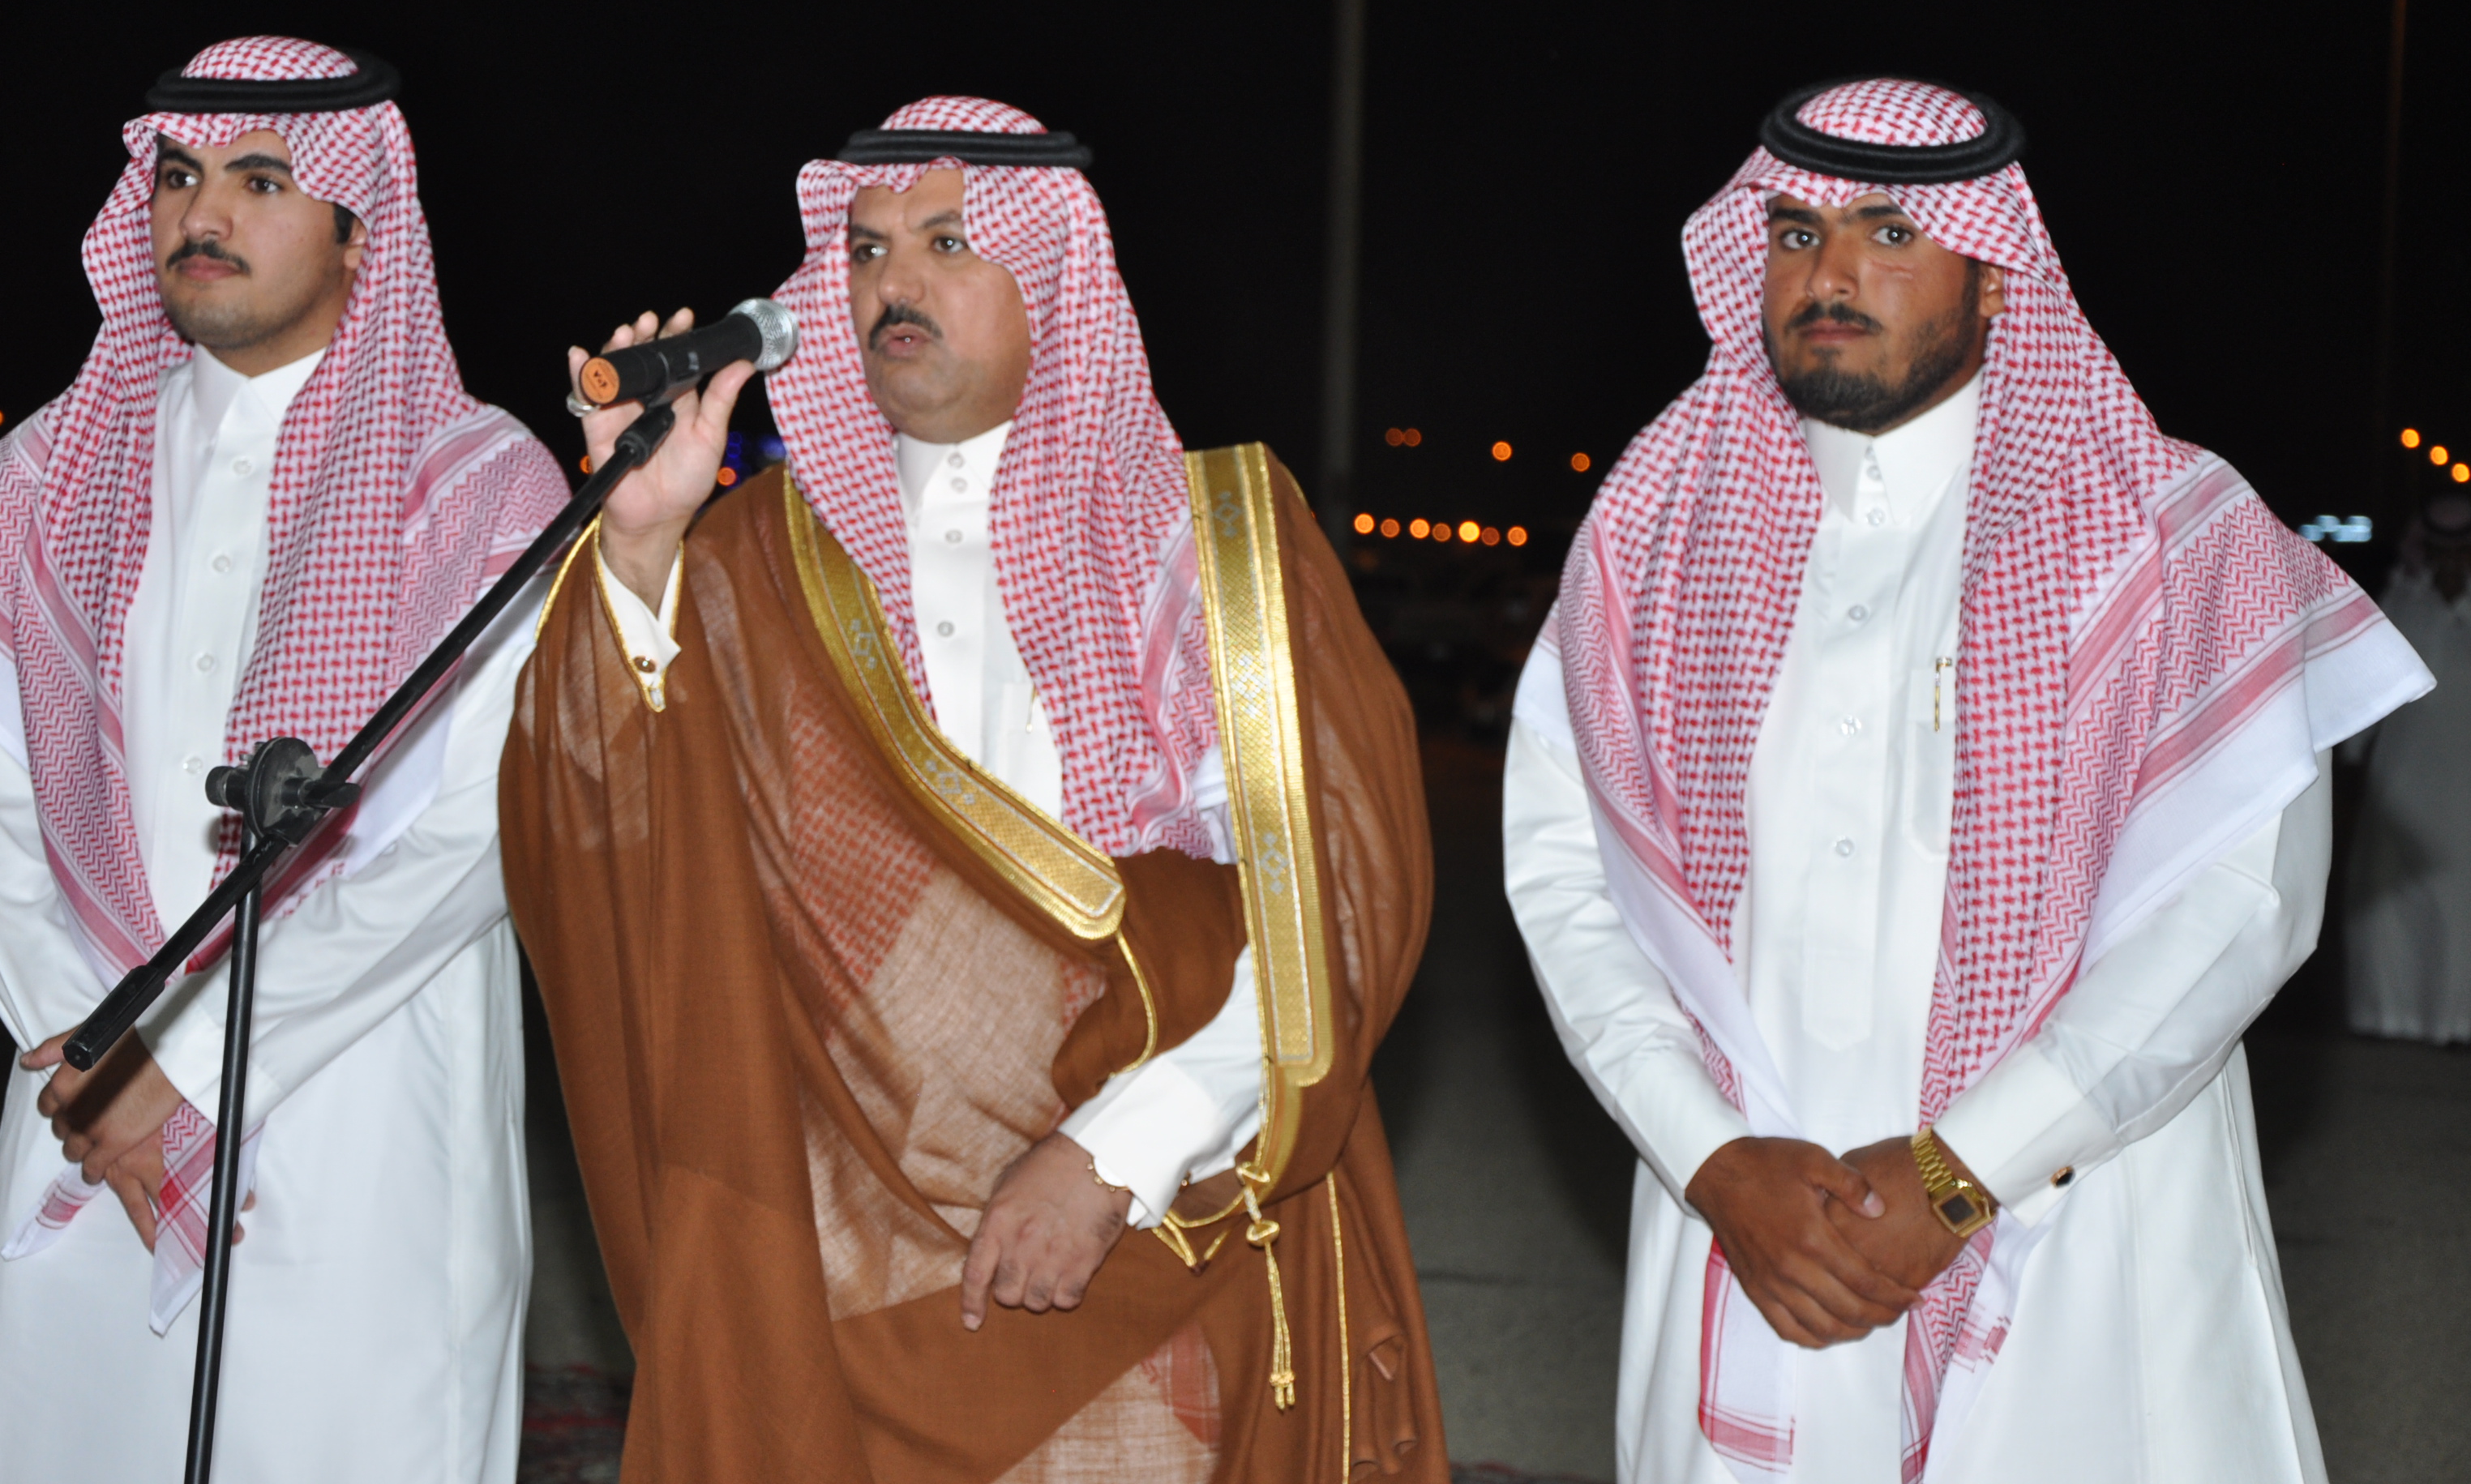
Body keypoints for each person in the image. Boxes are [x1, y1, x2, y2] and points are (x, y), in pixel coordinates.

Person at [1502, 78, 2431, 1484]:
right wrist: (1712, 1159)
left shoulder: (2169, 535)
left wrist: (1960, 1172)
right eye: (1797, 232)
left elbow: (2241, 905)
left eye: (1890, 234)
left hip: (2074, 1215)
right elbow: (1566, 874)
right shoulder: (1652, 533)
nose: (1829, 276)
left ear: (1996, 276)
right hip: (1747, 1221)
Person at [501, 96, 1444, 1481]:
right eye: (867, 250)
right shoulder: (749, 561)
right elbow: (603, 838)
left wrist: (1126, 1147)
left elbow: (1342, 903)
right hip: (846, 1273)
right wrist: (639, 553)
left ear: (1052, 272)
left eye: (947, 243)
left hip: (1158, 1229)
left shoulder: (1219, 544)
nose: (895, 283)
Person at [0, 36, 569, 1482]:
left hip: (352, 1111)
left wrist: (192, 1058)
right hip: (87, 1108)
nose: (202, 213)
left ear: (359, 228)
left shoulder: (480, 488)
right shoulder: (43, 476)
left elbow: (475, 841)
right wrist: (98, 1056)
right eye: (179, 175)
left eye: (260, 181)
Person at [2341, 493, 2471, 1041]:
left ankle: (2456, 1023)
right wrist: (2350, 759)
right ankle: (2389, 1018)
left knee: (2460, 908)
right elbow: (2366, 691)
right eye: (2441, 550)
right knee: (2388, 902)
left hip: (2463, 791)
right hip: (2400, 785)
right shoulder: (2399, 604)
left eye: (2461, 551)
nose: (2450, 562)